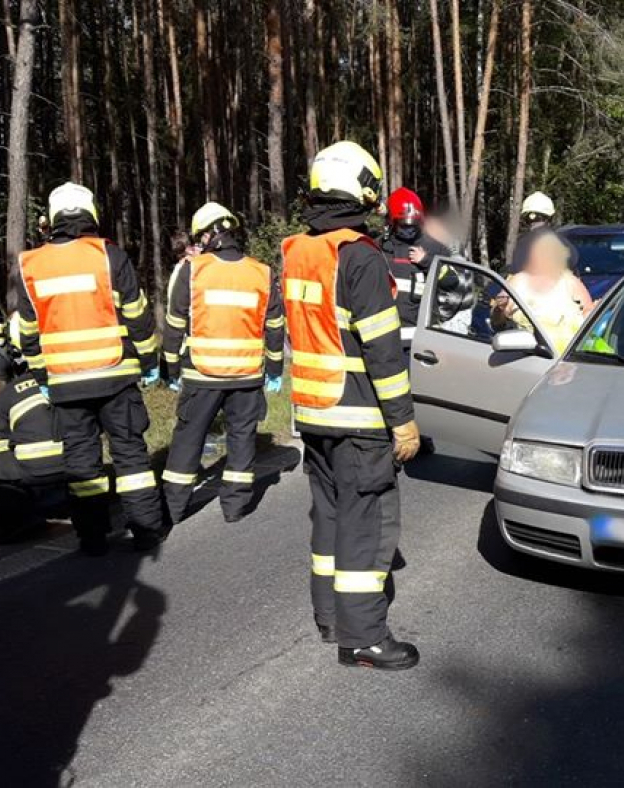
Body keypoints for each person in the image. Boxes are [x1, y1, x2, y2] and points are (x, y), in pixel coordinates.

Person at [281, 140, 422, 670]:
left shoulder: (297, 249)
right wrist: (403, 424)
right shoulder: (359, 255)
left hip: (313, 413)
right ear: (361, 189)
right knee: (365, 522)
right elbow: (384, 351)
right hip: (360, 417)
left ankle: (330, 619)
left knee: (330, 518)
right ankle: (362, 638)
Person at [14, 182, 166, 555]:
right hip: (115, 376)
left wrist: (41, 376)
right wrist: (149, 363)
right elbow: (138, 316)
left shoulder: (30, 265)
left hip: (65, 383)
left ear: (51, 219)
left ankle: (92, 537)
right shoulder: (108, 255)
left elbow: (28, 331)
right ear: (91, 214)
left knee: (81, 462)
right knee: (130, 454)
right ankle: (146, 531)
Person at [160, 202, 284, 524]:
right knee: (242, 439)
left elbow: (175, 322)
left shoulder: (193, 270)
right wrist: (274, 370)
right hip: (247, 375)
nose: (198, 244)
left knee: (189, 440)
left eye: (200, 237)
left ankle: (173, 510)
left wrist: (171, 367)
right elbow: (274, 325)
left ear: (210, 233)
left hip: (203, 375)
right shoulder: (261, 271)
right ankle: (235, 507)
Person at [0, 320, 67, 542]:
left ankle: (21, 520)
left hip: (30, 467)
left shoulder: (7, 393)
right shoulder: (63, 380)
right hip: (73, 462)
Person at [378, 188, 455, 345]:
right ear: (392, 222)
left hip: (420, 343)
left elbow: (452, 282)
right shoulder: (378, 248)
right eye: (403, 225)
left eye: (413, 225)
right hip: (384, 341)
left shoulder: (435, 249)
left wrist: (427, 261)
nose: (408, 230)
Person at [495, 232, 594, 353]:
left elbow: (588, 313)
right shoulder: (517, 281)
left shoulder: (569, 281)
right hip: (533, 356)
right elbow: (497, 321)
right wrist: (500, 308)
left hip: (571, 356)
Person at [508, 191, 579, 274]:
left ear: (526, 219)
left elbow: (515, 270)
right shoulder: (563, 244)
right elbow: (573, 261)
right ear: (549, 218)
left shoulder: (522, 245)